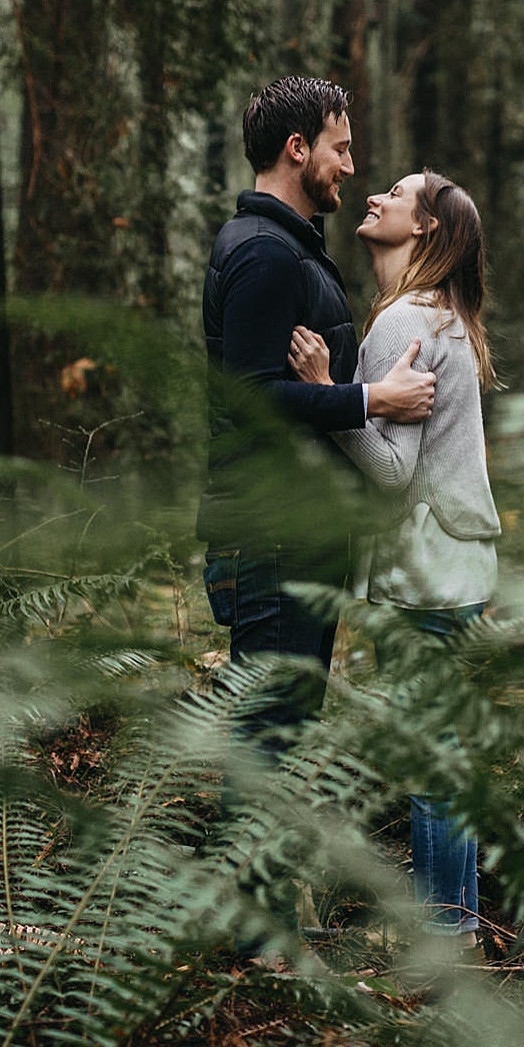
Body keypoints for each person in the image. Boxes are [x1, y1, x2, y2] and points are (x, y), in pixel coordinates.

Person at [287, 169, 500, 952]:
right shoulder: (446, 317)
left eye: (397, 194)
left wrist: (328, 391)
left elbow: (389, 472)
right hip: (461, 571)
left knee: (433, 766)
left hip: (425, 581)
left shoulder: (401, 321)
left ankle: (443, 945)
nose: (373, 195)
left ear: (426, 231)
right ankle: (463, 934)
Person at [198, 77, 436, 763]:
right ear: (298, 149)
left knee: (284, 734)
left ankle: (263, 870)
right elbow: (254, 398)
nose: (353, 168)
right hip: (271, 536)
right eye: (342, 148)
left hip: (293, 535)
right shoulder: (267, 253)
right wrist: (371, 401)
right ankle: (247, 871)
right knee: (269, 741)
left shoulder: (285, 245)